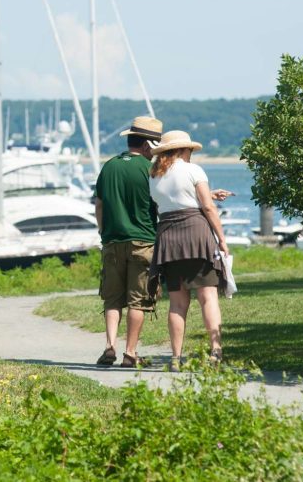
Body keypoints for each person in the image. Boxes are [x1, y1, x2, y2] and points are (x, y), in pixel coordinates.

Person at [148, 130, 233, 370]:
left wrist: (207, 195)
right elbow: (207, 207)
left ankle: (176, 357)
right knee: (208, 297)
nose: (191, 155)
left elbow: (171, 202)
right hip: (195, 234)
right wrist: (222, 239)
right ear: (183, 150)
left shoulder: (154, 176)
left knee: (177, 303)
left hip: (168, 237)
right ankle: (216, 350)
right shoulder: (193, 170)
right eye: (190, 151)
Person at [93, 116, 162, 368]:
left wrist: (104, 232)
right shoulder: (150, 170)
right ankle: (130, 352)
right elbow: (159, 205)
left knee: (111, 298)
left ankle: (110, 346)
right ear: (146, 145)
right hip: (143, 241)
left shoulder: (109, 166)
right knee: (138, 300)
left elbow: (99, 205)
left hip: (112, 240)